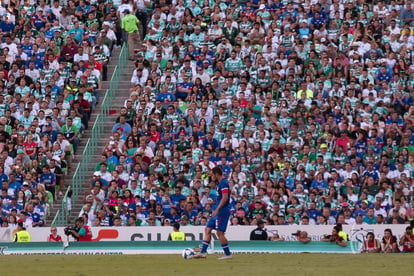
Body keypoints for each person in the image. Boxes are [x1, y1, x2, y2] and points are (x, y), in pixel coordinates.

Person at [194, 167, 232, 259]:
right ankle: (203, 252)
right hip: (218, 209)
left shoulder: (223, 183)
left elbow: (225, 197)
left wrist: (217, 209)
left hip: (222, 211)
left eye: (212, 175)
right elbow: (221, 198)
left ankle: (228, 254)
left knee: (219, 233)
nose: (211, 177)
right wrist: (214, 203)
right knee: (207, 229)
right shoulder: (220, 183)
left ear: (216, 174)